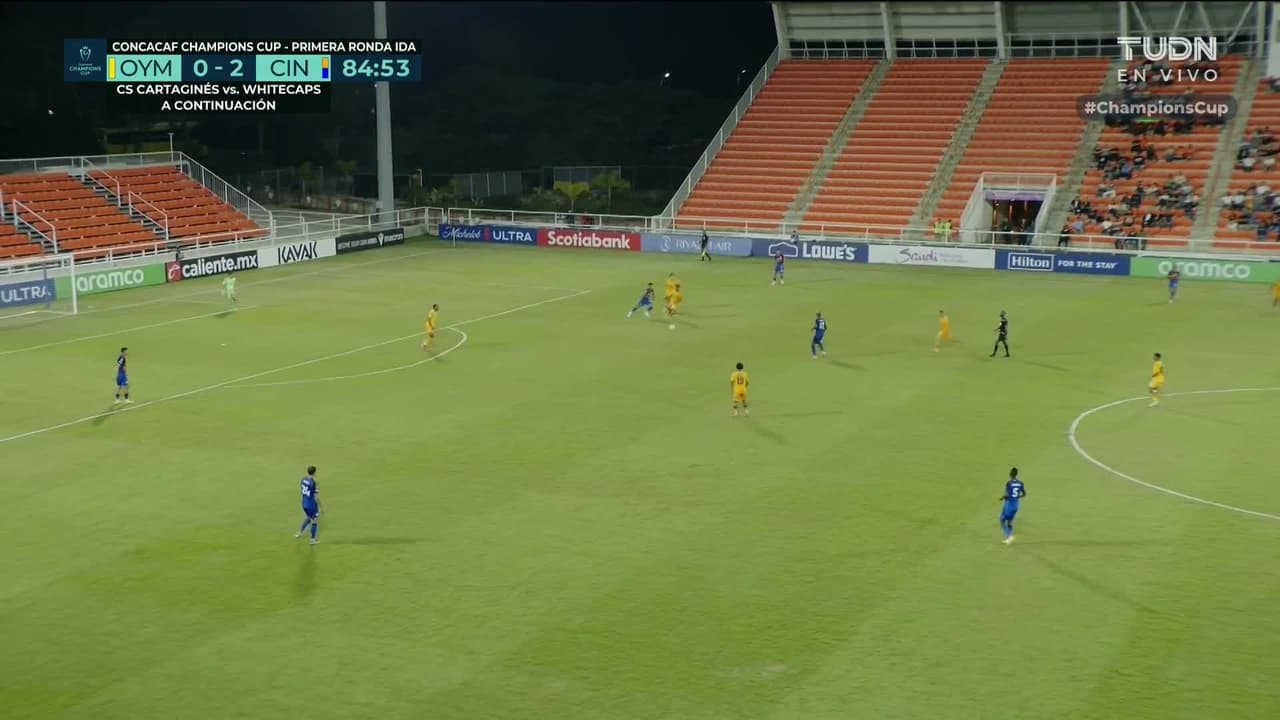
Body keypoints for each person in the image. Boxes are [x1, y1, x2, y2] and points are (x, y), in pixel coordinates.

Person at [295, 465, 322, 545]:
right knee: (315, 521)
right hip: (311, 504)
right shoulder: (314, 482)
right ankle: (313, 540)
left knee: (309, 518)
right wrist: (321, 507)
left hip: (304, 503)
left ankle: (299, 533)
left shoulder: (303, 479)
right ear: (314, 472)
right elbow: (316, 497)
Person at [999, 467, 1026, 545]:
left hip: (1009, 505)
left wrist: (1002, 498)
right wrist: (1017, 497)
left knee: (1002, 520)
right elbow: (1024, 494)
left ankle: (1009, 536)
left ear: (1010, 474)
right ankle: (1009, 537)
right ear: (1016, 474)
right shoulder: (1021, 483)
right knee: (1010, 522)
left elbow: (1006, 494)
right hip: (1016, 506)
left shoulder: (1009, 483)